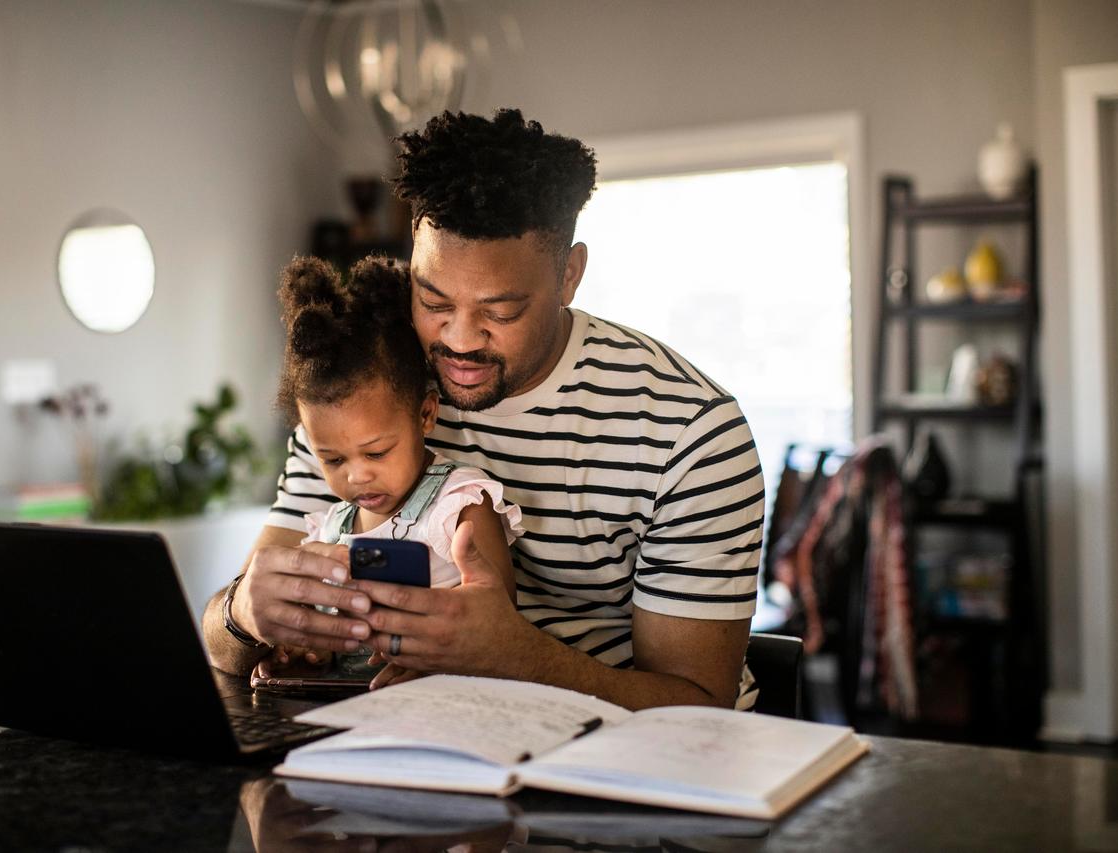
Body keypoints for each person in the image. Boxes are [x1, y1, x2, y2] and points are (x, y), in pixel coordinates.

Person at [204, 108, 765, 711]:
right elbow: (220, 643)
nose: (461, 340)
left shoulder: (688, 431)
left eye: (501, 312)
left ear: (569, 274)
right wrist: (244, 613)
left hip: (614, 763)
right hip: (407, 736)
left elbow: (698, 710)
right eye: (433, 299)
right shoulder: (370, 392)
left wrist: (512, 656)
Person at [264, 254, 522, 687]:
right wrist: (306, 645)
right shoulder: (330, 530)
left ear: (425, 415)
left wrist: (435, 656)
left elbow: (498, 624)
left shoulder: (459, 506)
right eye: (333, 460)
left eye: (377, 453)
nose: (357, 476)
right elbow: (320, 624)